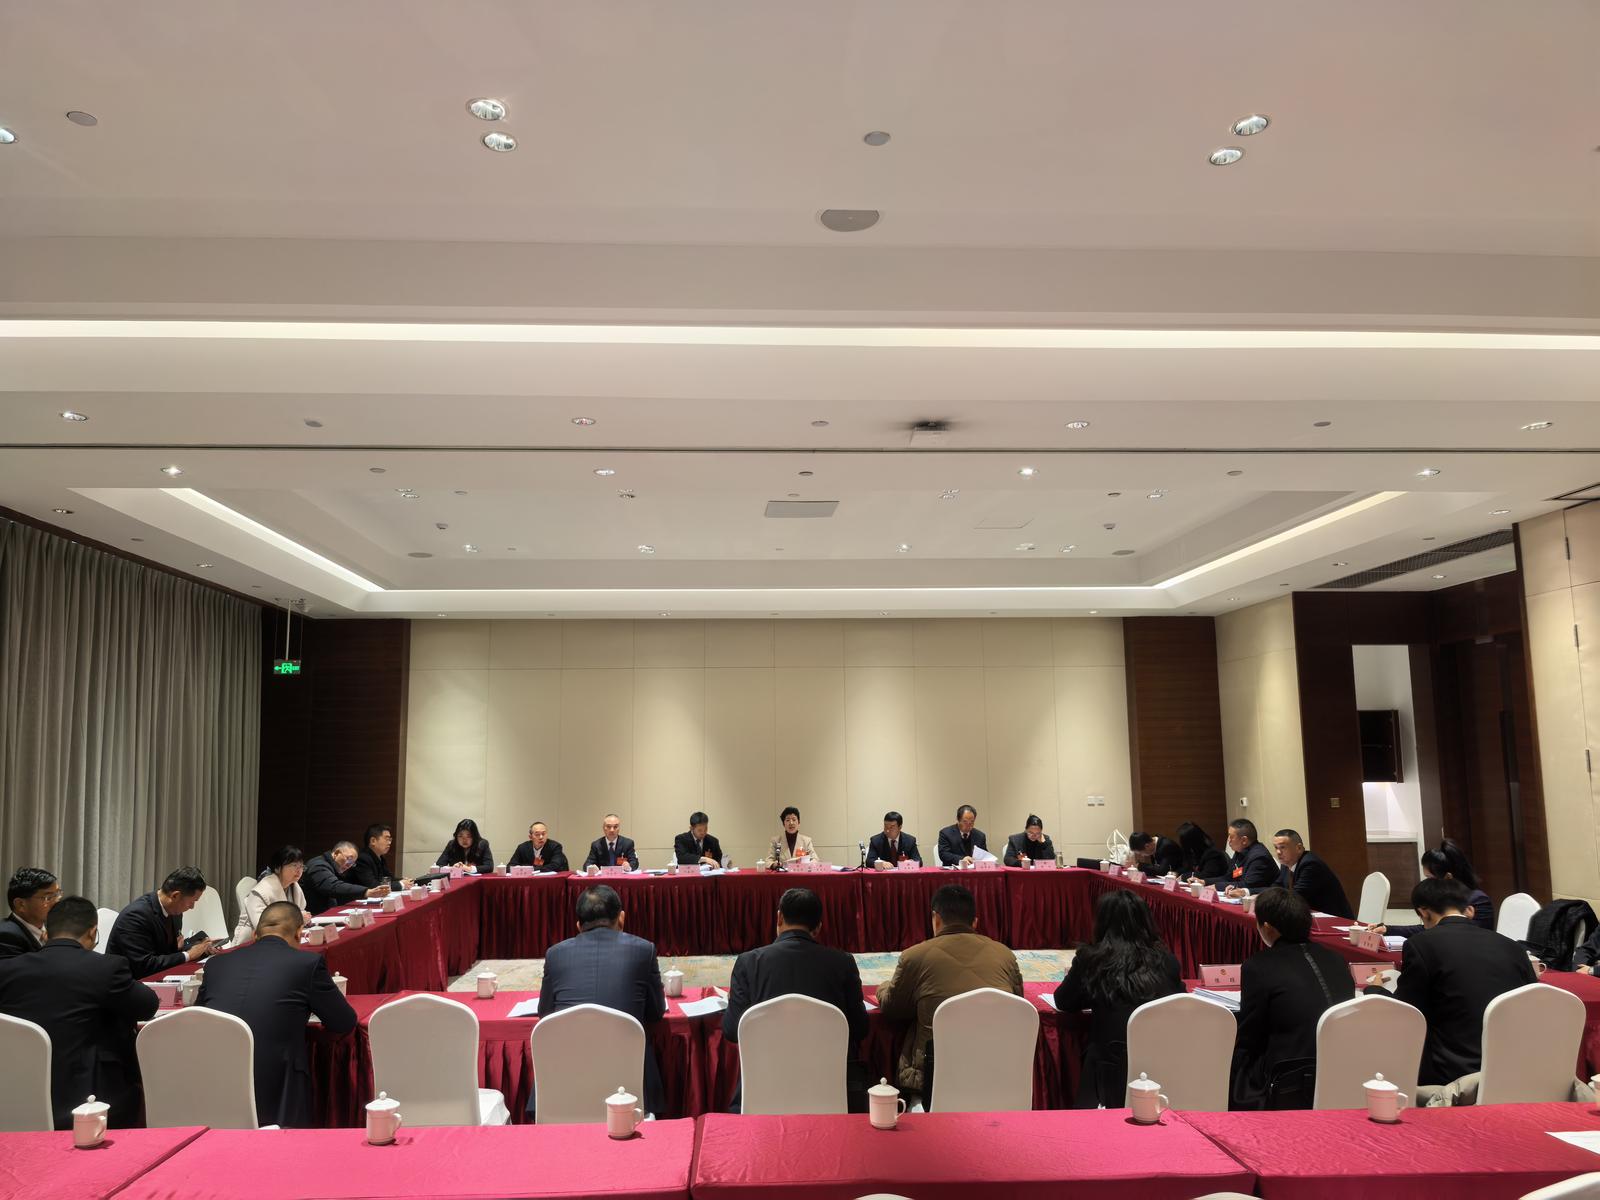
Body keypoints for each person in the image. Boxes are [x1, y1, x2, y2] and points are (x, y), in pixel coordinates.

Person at [0, 896, 158, 1129]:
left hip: (20, 1093)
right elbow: (147, 1006)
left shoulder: (8, 969)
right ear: (93, 933)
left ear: (46, 934)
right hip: (94, 1097)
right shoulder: (106, 967)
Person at [1363, 877, 1537, 1086]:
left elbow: (1407, 1012)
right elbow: (1532, 1000)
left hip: (1451, 1070)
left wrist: (1375, 990)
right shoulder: (1512, 946)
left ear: (1424, 912)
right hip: (1512, 1066)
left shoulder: (1421, 944)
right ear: (1468, 909)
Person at [199, 900, 358, 1127]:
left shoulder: (216, 964)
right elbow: (343, 1022)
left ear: (256, 934)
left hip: (215, 1076)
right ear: (299, 933)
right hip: (279, 1084)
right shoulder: (307, 963)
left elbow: (198, 1016)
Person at [723, 888, 871, 1109]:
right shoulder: (843, 963)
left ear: (779, 918)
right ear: (818, 927)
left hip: (762, 1090)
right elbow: (860, 1028)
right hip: (829, 1090)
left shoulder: (748, 963)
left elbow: (731, 1030)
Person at [876, 885, 1022, 1104]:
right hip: (996, 1073)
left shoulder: (915, 957)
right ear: (975, 922)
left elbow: (892, 1008)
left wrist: (882, 987)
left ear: (936, 919)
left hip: (933, 1078)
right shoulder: (1005, 955)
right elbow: (1018, 1005)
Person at [537, 885, 665, 1115]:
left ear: (578, 926)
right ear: (622, 918)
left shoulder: (555, 954)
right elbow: (656, 1013)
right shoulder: (644, 950)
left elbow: (546, 1015)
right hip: (629, 1086)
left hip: (564, 1084)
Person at [1230, 887, 1356, 1109]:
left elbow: (1250, 1034)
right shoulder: (1336, 959)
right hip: (1342, 1068)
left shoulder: (1258, 966)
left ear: (1267, 928)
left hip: (1289, 1078)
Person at [1057, 889, 1183, 1107]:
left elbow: (1064, 1001)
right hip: (1162, 1061)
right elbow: (1178, 1001)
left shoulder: (1092, 958)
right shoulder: (1167, 960)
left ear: (1101, 923)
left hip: (1109, 1067)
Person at [1371, 840, 1495, 938]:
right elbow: (1427, 928)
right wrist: (1388, 929)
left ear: (1448, 877)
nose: (1427, 883)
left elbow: (1460, 934)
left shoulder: (1478, 900)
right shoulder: (1442, 898)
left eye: (1430, 878)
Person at [107, 866, 214, 978]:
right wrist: (188, 955)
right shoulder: (136, 916)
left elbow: (167, 952)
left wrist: (199, 948)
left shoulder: (175, 911)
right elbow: (145, 965)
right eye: (192, 901)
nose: (192, 907)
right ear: (175, 896)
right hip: (127, 981)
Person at [1234, 829, 1353, 918]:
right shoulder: (1286, 864)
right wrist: (1248, 892)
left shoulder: (1310, 864)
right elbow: (1275, 888)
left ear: (1299, 848)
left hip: (1334, 920)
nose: (1278, 852)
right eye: (1276, 847)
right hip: (1307, 918)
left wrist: (1262, 898)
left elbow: (1295, 897)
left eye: (1283, 847)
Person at [302, 841, 388, 915]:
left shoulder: (334, 868)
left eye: (352, 863)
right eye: (349, 859)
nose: (349, 865)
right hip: (313, 917)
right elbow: (334, 886)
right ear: (336, 853)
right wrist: (366, 892)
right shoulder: (318, 865)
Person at [1196, 818, 1277, 890]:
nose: (1228, 840)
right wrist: (1204, 881)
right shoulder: (1240, 852)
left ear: (1244, 840)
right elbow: (1229, 877)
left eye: (1231, 837)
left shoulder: (1259, 857)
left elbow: (1248, 885)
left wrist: (1217, 886)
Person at [0, 867, 61, 958]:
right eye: (48, 898)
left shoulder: (54, 929)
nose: (57, 902)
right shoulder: (6, 936)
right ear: (21, 904)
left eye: (57, 895)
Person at [348, 824, 406, 891]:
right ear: (373, 841)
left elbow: (389, 878)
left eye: (390, 839)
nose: (389, 843)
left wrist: (404, 880)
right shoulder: (362, 859)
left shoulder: (380, 858)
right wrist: (401, 884)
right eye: (387, 839)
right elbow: (372, 885)